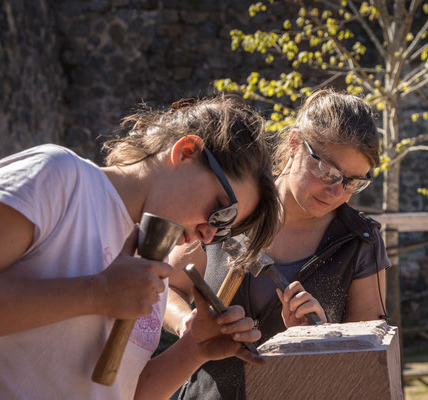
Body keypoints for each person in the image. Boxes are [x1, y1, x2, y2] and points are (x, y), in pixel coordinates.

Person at [0, 96, 281, 400]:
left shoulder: (152, 265)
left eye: (224, 229)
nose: (208, 235)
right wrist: (95, 294)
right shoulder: (60, 180)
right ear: (186, 151)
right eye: (221, 210)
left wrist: (194, 349)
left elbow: (120, 392)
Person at [163, 89, 392, 399]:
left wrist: (323, 339)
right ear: (295, 143)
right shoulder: (231, 208)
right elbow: (165, 286)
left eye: (353, 181)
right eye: (327, 171)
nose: (337, 191)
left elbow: (366, 361)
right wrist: (186, 323)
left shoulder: (360, 241)